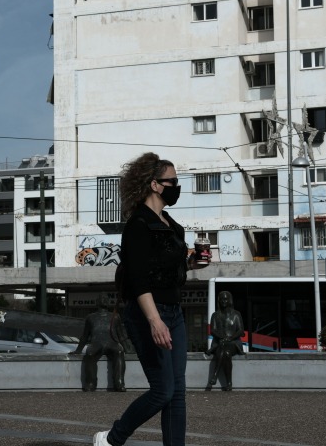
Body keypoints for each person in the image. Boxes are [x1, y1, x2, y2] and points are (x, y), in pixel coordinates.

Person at [94, 153, 190, 446]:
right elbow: (138, 278)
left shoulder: (171, 224)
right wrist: (154, 321)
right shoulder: (138, 224)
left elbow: (167, 267)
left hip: (173, 311)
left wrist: (194, 261)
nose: (177, 186)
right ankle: (112, 438)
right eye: (172, 181)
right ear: (155, 185)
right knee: (163, 390)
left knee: (177, 392)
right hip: (149, 312)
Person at [76, 295, 126, 392]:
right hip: (96, 343)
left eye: (106, 299)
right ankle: (91, 383)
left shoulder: (115, 316)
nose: (105, 300)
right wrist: (78, 350)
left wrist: (127, 348)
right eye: (102, 299)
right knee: (90, 354)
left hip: (112, 343)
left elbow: (121, 335)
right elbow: (85, 336)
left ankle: (119, 382)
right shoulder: (90, 317)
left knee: (119, 352)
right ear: (97, 302)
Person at [205, 290, 245, 391]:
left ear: (230, 300)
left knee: (225, 346)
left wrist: (230, 338)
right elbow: (213, 331)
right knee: (226, 353)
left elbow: (240, 330)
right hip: (220, 343)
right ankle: (229, 383)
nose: (224, 301)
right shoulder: (215, 315)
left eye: (226, 299)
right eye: (222, 299)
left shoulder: (236, 314)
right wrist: (222, 338)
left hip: (234, 343)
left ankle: (214, 376)